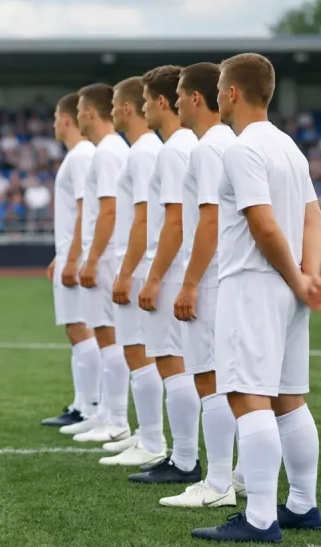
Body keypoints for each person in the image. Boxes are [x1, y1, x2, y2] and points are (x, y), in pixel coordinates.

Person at [193, 53, 321, 543]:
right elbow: (313, 218)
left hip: (254, 283)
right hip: (287, 287)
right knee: (288, 398)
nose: (216, 98)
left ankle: (258, 519)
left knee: (246, 395)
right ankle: (301, 503)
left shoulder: (242, 148)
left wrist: (298, 277)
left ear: (231, 93)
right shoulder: (289, 147)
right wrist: (307, 276)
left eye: (219, 90)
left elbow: (262, 223)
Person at [159, 62, 242, 507]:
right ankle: (236, 475)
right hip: (230, 276)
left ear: (195, 98)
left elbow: (207, 220)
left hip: (210, 280)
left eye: (179, 95)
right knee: (232, 380)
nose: (174, 103)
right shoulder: (231, 142)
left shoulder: (209, 149)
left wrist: (189, 284)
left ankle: (217, 484)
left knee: (209, 379)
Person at [127, 65, 202, 486]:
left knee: (173, 365)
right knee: (186, 366)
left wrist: (153, 278)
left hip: (174, 267)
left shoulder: (174, 149)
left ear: (159, 101)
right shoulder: (190, 145)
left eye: (147, 102)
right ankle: (185, 455)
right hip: (186, 265)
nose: (148, 109)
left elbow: (173, 223)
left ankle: (186, 460)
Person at [98, 76, 167, 466]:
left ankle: (153, 441)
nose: (113, 114)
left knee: (139, 353)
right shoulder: (144, 151)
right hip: (142, 260)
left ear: (126, 108)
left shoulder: (143, 153)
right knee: (139, 352)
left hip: (140, 262)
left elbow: (143, 218)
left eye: (116, 106)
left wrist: (126, 272)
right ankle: (146, 434)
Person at [61, 83, 131, 445]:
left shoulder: (106, 153)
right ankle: (106, 412)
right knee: (108, 336)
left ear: (88, 112)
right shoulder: (113, 150)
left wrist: (89, 258)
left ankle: (116, 418)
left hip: (105, 255)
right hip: (107, 253)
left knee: (109, 337)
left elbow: (108, 210)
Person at [41, 93, 100, 430]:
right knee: (77, 328)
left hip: (79, 254)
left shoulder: (81, 157)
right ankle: (83, 403)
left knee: (82, 328)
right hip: (72, 251)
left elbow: (85, 209)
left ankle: (91, 407)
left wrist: (73, 256)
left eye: (55, 117)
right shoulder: (80, 156)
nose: (53, 124)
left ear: (66, 119)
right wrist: (61, 254)